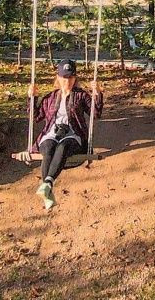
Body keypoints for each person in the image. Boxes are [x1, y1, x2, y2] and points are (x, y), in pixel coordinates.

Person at [29, 58, 103, 210]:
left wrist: (98, 94)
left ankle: (47, 184)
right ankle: (47, 188)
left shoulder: (81, 96)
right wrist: (32, 98)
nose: (67, 81)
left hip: (72, 134)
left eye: (70, 77)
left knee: (62, 146)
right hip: (51, 133)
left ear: (75, 78)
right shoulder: (50, 97)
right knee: (48, 147)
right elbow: (36, 117)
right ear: (58, 77)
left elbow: (95, 114)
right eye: (64, 77)